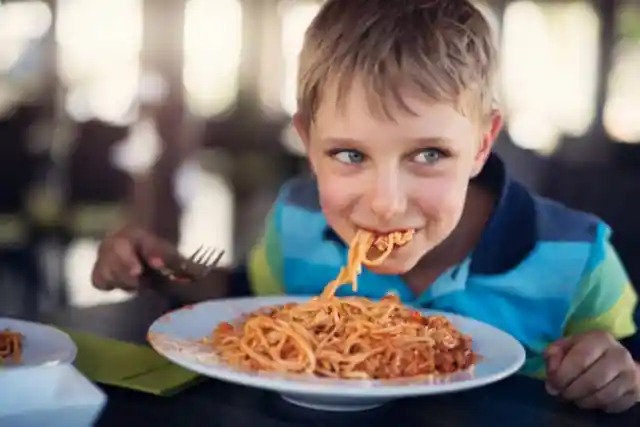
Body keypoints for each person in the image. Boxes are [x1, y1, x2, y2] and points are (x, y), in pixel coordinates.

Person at [91, 0, 640, 412]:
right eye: (349, 154)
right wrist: (166, 268)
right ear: (308, 144)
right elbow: (245, 303)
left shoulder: (578, 259)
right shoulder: (297, 223)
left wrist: (618, 371)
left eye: (429, 154)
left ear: (480, 145)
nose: (384, 204)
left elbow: (626, 365)